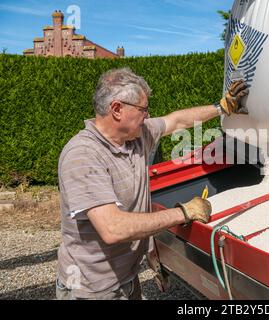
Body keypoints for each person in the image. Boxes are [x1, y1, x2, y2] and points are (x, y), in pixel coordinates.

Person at [55, 67, 248, 300]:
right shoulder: (83, 155)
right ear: (117, 109)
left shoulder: (136, 135)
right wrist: (184, 212)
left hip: (126, 277)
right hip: (90, 289)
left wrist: (221, 108)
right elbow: (112, 228)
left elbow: (176, 121)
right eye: (143, 109)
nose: (147, 116)